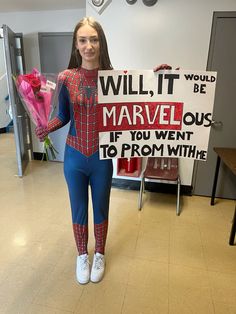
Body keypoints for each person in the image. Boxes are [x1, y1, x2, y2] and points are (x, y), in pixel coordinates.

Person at [35, 16, 173, 285]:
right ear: (76, 45)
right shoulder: (66, 77)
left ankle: (99, 253)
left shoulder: (113, 78)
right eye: (83, 40)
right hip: (74, 156)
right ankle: (81, 255)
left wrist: (156, 78)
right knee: (78, 209)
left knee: (101, 207)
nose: (89, 45)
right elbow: (63, 115)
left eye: (94, 39)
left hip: (102, 157)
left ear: (101, 42)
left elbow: (137, 99)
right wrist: (46, 127)